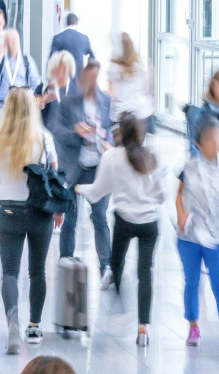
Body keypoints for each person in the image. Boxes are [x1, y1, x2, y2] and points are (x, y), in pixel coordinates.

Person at [0, 88, 59, 352]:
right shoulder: (44, 139)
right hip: (40, 213)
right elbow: (55, 177)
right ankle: (34, 326)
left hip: (10, 212)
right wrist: (58, 210)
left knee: (9, 272)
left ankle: (12, 320)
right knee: (37, 271)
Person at [74, 115, 166, 347]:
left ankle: (120, 306)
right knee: (145, 273)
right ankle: (143, 328)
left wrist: (79, 188)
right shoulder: (151, 157)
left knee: (115, 264)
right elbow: (161, 195)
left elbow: (97, 191)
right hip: (149, 223)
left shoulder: (111, 157)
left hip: (124, 221)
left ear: (120, 134)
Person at [51, 60, 113, 282]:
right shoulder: (69, 102)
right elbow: (56, 130)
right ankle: (65, 260)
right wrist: (76, 132)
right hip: (74, 167)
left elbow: (111, 129)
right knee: (70, 218)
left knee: (100, 217)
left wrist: (108, 141)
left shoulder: (106, 101)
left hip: (98, 168)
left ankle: (105, 267)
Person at [176, 116, 219, 347]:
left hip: (216, 236)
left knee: (218, 284)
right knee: (192, 283)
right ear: (199, 143)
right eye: (212, 139)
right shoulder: (189, 167)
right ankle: (193, 326)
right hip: (190, 236)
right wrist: (181, 215)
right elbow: (179, 195)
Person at [0, 29, 41, 123]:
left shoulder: (27, 60)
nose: (12, 43)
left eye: (14, 40)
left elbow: (36, 83)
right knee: (3, 134)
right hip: (3, 105)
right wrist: (0, 55)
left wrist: (32, 100)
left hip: (22, 104)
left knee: (21, 133)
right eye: (9, 40)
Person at [108, 32, 154, 129]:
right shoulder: (139, 64)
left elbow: (111, 96)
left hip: (122, 114)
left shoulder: (114, 68)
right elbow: (146, 90)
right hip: (142, 111)